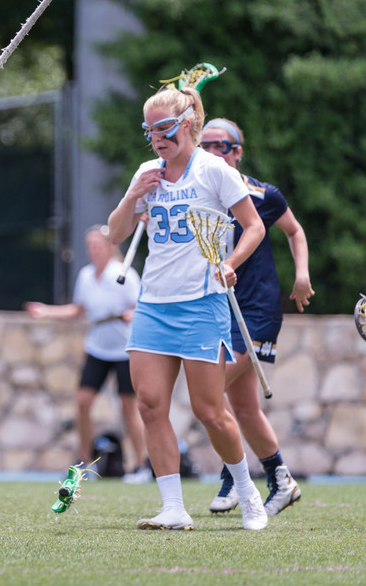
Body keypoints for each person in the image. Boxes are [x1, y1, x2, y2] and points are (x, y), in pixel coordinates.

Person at [106, 85, 269, 531]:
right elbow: (115, 234)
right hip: (154, 304)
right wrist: (132, 195)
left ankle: (248, 492)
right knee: (150, 404)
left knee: (210, 410)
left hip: (202, 303)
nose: (156, 138)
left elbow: (253, 228)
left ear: (187, 125)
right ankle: (173, 507)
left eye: (163, 128)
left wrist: (231, 263)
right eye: (149, 130)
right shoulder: (147, 172)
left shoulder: (215, 171)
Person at [199, 117, 311, 516]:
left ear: (238, 151)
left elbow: (294, 231)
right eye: (206, 145)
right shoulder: (197, 195)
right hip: (218, 308)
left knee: (209, 393)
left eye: (222, 146)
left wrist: (301, 275)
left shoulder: (260, 194)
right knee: (242, 408)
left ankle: (234, 479)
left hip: (257, 309)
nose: (214, 152)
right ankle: (281, 481)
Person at [24, 225, 149, 482]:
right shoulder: (86, 275)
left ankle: (140, 465)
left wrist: (131, 315)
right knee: (83, 402)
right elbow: (77, 310)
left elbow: (141, 307)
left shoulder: (124, 274)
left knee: (129, 408)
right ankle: (83, 462)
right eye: (90, 247)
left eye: (98, 246)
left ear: (109, 247)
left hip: (124, 350)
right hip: (98, 349)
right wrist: (46, 311)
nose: (93, 251)